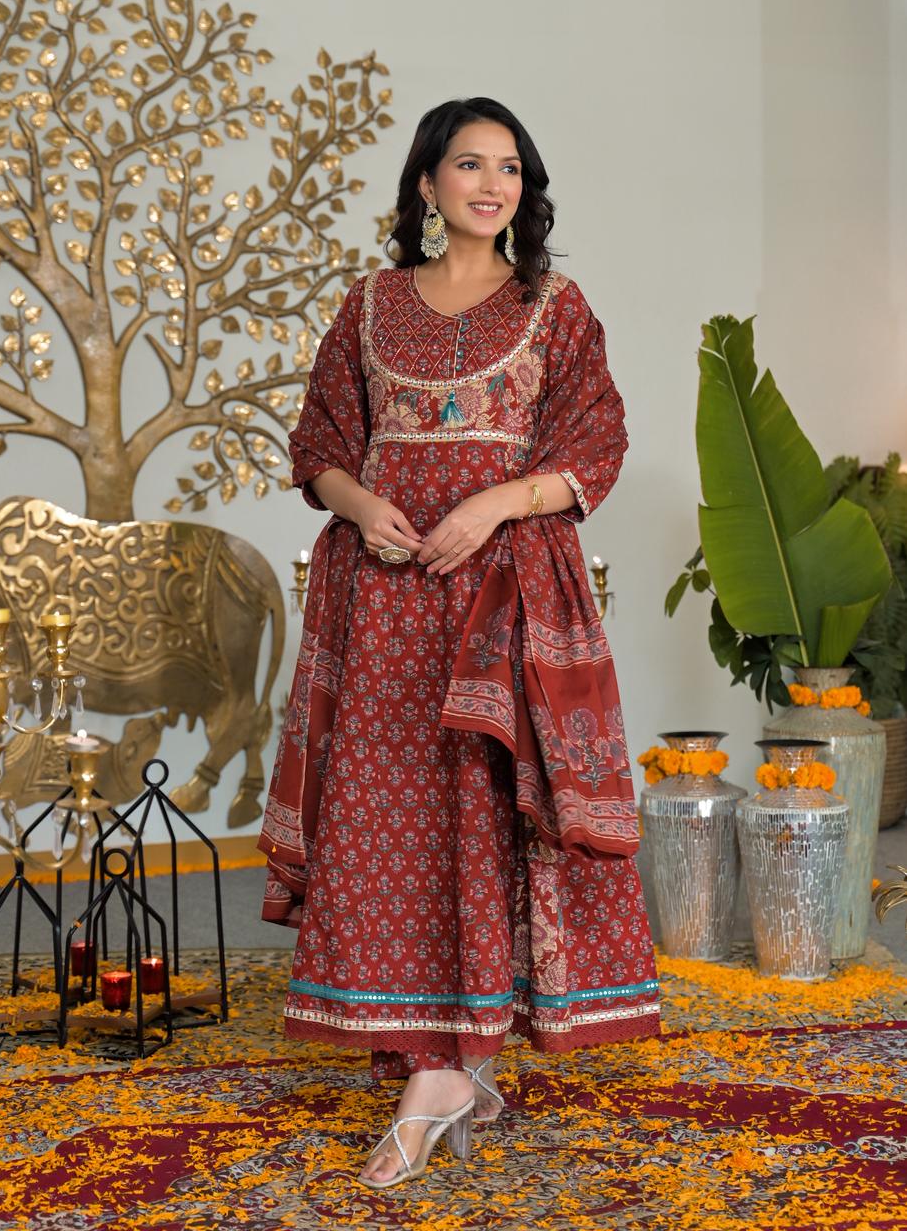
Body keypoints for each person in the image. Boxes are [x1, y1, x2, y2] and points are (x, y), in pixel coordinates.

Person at [257, 96, 660, 1189]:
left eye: (510, 169)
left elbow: (595, 442)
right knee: (385, 809)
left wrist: (490, 507)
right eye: (467, 164)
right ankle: (432, 1059)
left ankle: (453, 1060)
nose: (491, 184)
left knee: (485, 806)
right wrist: (356, 502)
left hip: (500, 600)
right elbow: (319, 443)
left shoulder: (553, 306)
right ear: (426, 183)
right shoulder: (369, 304)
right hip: (382, 599)